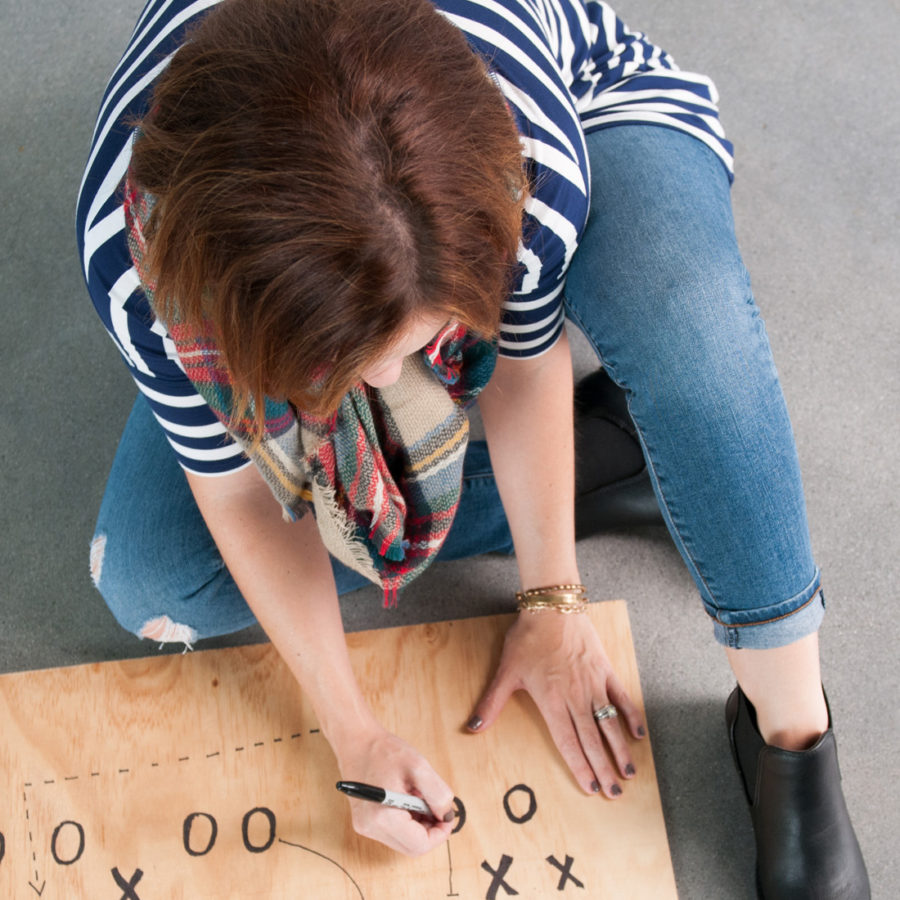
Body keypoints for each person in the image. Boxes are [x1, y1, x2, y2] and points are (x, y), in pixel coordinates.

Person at [76, 0, 869, 894]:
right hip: (289, 270)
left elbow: (526, 371)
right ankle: (611, 455)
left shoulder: (528, 159)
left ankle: (791, 730)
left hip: (587, 106)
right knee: (148, 578)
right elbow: (235, 494)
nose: (382, 390)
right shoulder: (128, 250)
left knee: (694, 334)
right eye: (353, 370)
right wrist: (354, 732)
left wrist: (553, 599)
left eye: (409, 351)